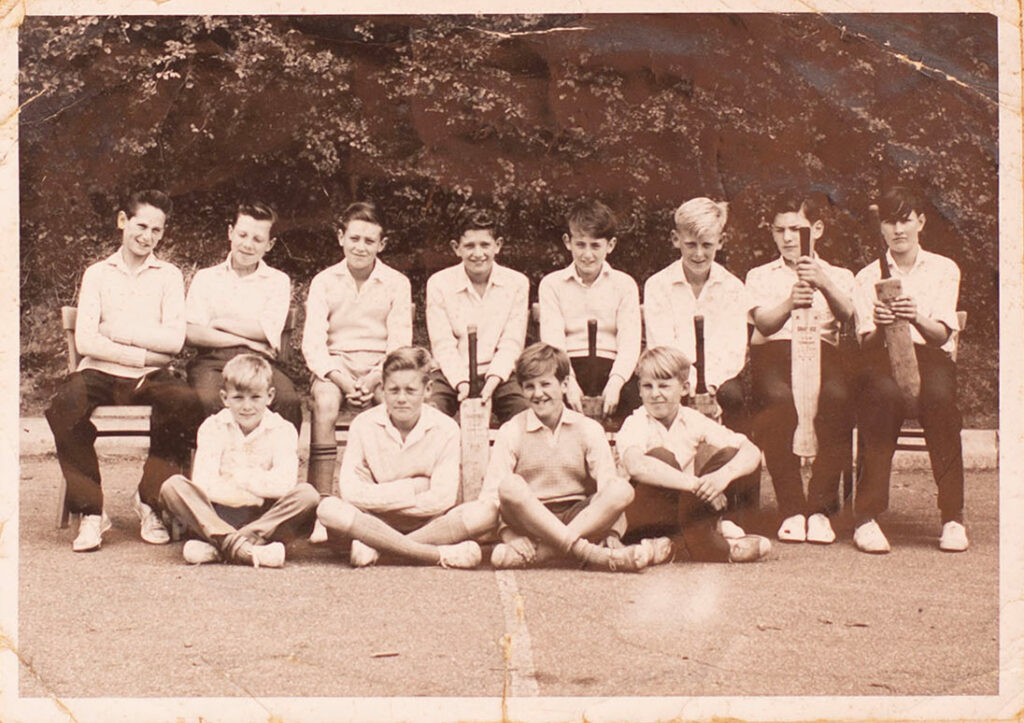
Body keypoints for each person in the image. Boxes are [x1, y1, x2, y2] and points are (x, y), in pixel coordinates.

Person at [46, 189, 205, 552]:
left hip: (149, 377)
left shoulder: (168, 275)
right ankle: (91, 512)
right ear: (123, 221)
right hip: (99, 372)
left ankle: (149, 502)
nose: (147, 237)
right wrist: (144, 354)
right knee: (62, 406)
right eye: (141, 225)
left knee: (185, 402)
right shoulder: (98, 274)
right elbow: (86, 342)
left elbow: (174, 341)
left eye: (156, 230)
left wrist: (116, 332)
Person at [481, 342, 672, 571]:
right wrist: (508, 533)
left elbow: (607, 486)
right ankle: (592, 553)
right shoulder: (512, 430)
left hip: (579, 517)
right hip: (531, 518)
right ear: (522, 390)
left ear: (564, 385)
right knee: (510, 486)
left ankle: (549, 553)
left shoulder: (587, 428)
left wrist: (610, 530)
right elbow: (492, 495)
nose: (538, 393)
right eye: (529, 386)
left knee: (621, 489)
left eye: (545, 384)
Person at [851, 186, 967, 554]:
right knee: (881, 396)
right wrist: (880, 321)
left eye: (905, 219)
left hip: (930, 356)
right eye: (890, 221)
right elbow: (864, 343)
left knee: (940, 401)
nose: (898, 229)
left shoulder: (944, 269)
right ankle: (866, 518)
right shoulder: (866, 275)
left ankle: (952, 518)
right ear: (881, 227)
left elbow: (943, 334)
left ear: (920, 222)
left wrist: (913, 315)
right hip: (882, 357)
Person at [316, 347, 495, 568]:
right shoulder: (363, 424)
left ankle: (380, 549)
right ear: (382, 389)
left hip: (427, 524)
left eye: (410, 390)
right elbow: (351, 492)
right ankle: (435, 555)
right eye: (394, 390)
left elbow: (443, 499)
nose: (401, 399)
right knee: (328, 508)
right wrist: (414, 487)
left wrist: (378, 493)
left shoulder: (446, 428)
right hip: (372, 520)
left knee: (485, 512)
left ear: (427, 390)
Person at [745, 190, 856, 545]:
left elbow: (848, 316)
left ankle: (821, 508)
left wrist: (823, 282)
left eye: (797, 229)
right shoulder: (759, 274)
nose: (789, 238)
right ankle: (792, 508)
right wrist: (789, 301)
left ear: (817, 229)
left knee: (837, 397)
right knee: (778, 399)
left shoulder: (839, 273)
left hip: (824, 351)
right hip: (776, 351)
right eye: (780, 230)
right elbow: (762, 324)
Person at [643, 197, 760, 531]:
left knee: (735, 399)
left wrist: (710, 387)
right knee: (659, 400)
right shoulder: (658, 285)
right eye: (690, 244)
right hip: (674, 378)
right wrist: (689, 388)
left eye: (707, 245)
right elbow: (662, 345)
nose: (697, 254)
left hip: (719, 380)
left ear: (720, 242)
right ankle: (666, 506)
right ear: (676, 239)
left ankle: (738, 511)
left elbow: (733, 348)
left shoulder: (732, 287)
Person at [159, 354, 318, 567]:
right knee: (173, 487)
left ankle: (221, 545)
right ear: (224, 398)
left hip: (264, 518)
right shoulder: (212, 427)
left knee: (307, 494)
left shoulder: (283, 429)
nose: (247, 406)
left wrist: (238, 478)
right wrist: (256, 488)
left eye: (255, 397)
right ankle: (250, 549)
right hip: (218, 513)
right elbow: (204, 484)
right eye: (238, 398)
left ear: (269, 396)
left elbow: (284, 483)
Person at [616, 346, 771, 563]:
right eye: (647, 386)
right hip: (641, 516)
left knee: (729, 454)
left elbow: (751, 451)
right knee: (662, 457)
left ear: (684, 388)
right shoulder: (636, 423)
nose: (655, 394)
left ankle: (686, 542)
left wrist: (721, 477)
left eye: (664, 386)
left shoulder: (692, 419)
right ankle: (706, 543)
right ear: (639, 390)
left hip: (681, 511)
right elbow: (636, 466)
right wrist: (695, 484)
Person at [302, 201, 413, 493]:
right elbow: (313, 344)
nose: (360, 247)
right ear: (341, 238)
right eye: (354, 238)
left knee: (399, 405)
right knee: (325, 403)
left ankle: (393, 494)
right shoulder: (324, 281)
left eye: (369, 241)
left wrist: (374, 377)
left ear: (382, 244)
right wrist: (342, 379)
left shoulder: (397, 283)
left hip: (382, 368)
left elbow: (400, 343)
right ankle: (321, 499)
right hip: (336, 366)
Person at [184, 202, 301, 432]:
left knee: (288, 401)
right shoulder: (206, 278)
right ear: (230, 233)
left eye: (258, 239)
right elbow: (192, 333)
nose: (248, 245)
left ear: (270, 244)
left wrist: (219, 324)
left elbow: (265, 330)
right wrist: (244, 340)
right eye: (242, 235)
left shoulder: (277, 281)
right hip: (213, 362)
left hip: (260, 362)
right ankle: (218, 465)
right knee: (210, 399)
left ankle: (277, 466)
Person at [538, 200, 641, 424]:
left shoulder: (624, 284)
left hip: (612, 366)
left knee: (638, 409)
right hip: (568, 365)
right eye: (580, 244)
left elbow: (629, 342)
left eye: (595, 246)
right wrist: (568, 382)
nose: (587, 254)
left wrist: (616, 383)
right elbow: (554, 341)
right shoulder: (552, 284)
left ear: (610, 245)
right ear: (568, 242)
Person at [425, 207, 529, 422]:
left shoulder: (517, 283)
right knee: (429, 415)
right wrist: (461, 383)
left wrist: (493, 380)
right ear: (456, 248)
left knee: (525, 416)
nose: (478, 253)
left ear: (497, 246)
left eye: (485, 245)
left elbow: (512, 343)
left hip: (501, 375)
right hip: (450, 374)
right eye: (469, 246)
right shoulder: (439, 283)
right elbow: (442, 345)